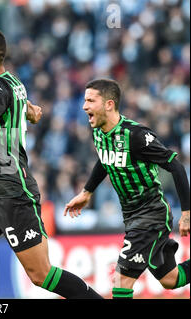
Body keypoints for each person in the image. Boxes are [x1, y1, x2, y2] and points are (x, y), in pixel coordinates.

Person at [0, 28, 102, 299]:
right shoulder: (13, 83)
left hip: (15, 194)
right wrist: (32, 111)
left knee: (42, 275)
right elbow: (26, 106)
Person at [64, 79, 190, 299]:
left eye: (91, 100)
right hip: (132, 216)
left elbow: (176, 166)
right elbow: (104, 160)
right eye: (85, 100)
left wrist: (187, 213)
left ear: (109, 104)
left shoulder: (136, 135)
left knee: (121, 281)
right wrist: (87, 192)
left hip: (150, 214)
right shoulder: (98, 132)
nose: (84, 106)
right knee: (170, 278)